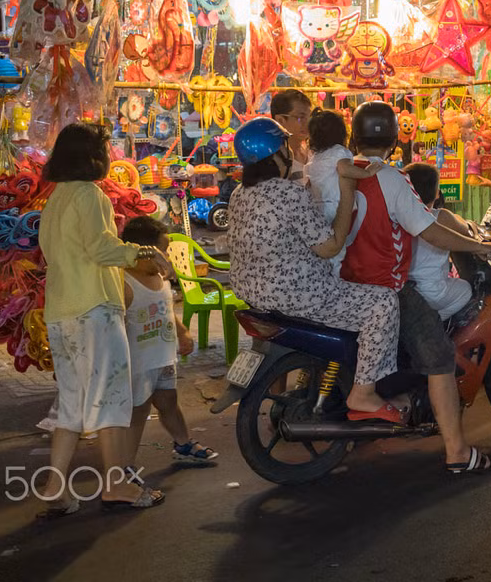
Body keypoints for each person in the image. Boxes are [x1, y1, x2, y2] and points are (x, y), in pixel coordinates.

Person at [341, 101, 491, 474]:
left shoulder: (342, 172)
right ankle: (458, 453)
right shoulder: (392, 178)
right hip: (387, 286)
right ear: (396, 140)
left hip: (344, 285)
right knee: (439, 359)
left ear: (353, 138)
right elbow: (427, 229)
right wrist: (479, 246)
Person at [227, 117, 404, 423]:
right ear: (275, 155)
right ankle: (363, 392)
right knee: (384, 302)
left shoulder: (238, 195)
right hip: (300, 298)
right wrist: (347, 188)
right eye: (286, 147)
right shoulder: (289, 194)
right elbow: (331, 246)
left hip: (256, 297)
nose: (292, 153)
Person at [37, 122, 175, 515]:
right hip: (94, 312)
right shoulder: (89, 195)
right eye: (105, 147)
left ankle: (53, 490)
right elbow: (101, 248)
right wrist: (144, 254)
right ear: (93, 156)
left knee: (73, 405)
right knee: (112, 398)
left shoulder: (56, 199)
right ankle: (117, 486)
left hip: (62, 314)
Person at [120, 216, 218, 467]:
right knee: (138, 412)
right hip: (138, 364)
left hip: (162, 358)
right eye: (162, 250)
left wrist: (182, 332)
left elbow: (165, 310)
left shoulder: (160, 278)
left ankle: (183, 443)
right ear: (142, 251)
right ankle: (124, 466)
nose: (167, 256)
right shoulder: (123, 284)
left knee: (168, 402)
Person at [405, 162, 474, 322]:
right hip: (432, 292)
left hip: (405, 288)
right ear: (437, 193)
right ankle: (436, 321)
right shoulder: (441, 216)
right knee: (465, 289)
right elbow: (464, 229)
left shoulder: (400, 216)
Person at [304, 108, 359, 273]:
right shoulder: (340, 152)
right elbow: (345, 170)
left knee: (322, 245)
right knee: (338, 247)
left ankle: (324, 275)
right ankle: (334, 277)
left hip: (318, 206)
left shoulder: (314, 157)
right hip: (336, 205)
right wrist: (367, 172)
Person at [270, 89, 313, 180]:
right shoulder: (274, 162)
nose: (308, 123)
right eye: (301, 117)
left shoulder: (312, 153)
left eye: (309, 117)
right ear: (280, 120)